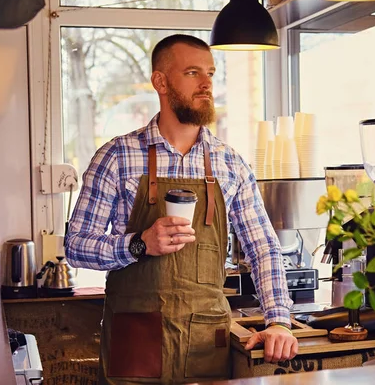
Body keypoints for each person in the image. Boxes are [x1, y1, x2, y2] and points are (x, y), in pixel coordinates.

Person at [65, 34, 298, 385]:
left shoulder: (229, 163)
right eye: (192, 73)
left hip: (207, 341)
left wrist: (278, 320)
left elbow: (263, 248)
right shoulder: (116, 157)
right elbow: (76, 246)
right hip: (135, 341)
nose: (206, 84)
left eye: (211, 73)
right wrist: (138, 243)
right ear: (160, 81)